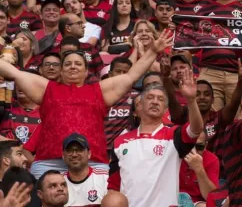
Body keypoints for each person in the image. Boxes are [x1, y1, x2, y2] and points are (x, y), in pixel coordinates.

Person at [0, 29, 173, 179]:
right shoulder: (47, 88)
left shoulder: (99, 90)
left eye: (77, 64)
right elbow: (13, 72)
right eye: (67, 64)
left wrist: (153, 51)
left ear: (86, 71)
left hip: (93, 163)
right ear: (61, 70)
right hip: (49, 163)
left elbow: (131, 76)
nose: (73, 67)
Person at [107, 73, 203, 206]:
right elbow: (113, 186)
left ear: (165, 110)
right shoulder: (120, 142)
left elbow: (196, 129)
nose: (155, 101)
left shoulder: (174, 135)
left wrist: (191, 101)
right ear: (139, 105)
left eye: (161, 99)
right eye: (150, 97)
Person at [103, 57, 139, 158]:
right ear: (110, 74)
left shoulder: (137, 97)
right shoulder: (100, 95)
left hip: (128, 150)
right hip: (102, 149)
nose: (121, 75)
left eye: (125, 72)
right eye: (118, 71)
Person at [62, 133, 108, 206]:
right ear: (63, 155)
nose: (74, 154)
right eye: (69, 150)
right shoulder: (58, 182)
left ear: (89, 154)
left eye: (79, 150)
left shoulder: (104, 179)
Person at [179, 133, 219, 207]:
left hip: (196, 202)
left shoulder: (212, 159)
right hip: (173, 198)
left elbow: (210, 197)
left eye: (199, 146)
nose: (194, 150)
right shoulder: (177, 155)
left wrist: (199, 169)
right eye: (190, 146)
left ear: (205, 145)